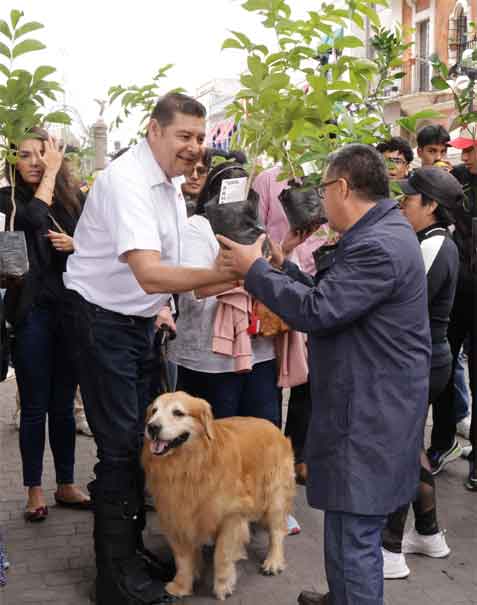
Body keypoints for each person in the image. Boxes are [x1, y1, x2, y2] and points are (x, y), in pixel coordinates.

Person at [216, 144, 431, 605]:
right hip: (367, 403)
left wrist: (253, 270)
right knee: (345, 519)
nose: (319, 201)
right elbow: (331, 294)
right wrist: (283, 267)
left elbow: (320, 309)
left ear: (342, 187)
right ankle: (343, 596)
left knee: (355, 532)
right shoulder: (380, 234)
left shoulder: (379, 246)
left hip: (372, 413)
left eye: (323, 189)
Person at [62, 93, 236, 605]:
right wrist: (225, 273)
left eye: (200, 138)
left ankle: (130, 555)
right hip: (101, 321)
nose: (194, 148)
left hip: (137, 322)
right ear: (154, 131)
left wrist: (260, 267)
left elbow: (178, 280)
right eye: (184, 135)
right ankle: (113, 580)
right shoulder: (128, 181)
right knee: (119, 447)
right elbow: (149, 270)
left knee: (144, 445)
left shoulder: (171, 188)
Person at [0, 128, 90, 522]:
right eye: (26, 154)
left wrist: (77, 245)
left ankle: (66, 484)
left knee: (63, 407)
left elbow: (98, 243)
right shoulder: (11, 202)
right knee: (35, 406)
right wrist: (51, 174)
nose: (35, 161)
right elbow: (34, 220)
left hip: (70, 311)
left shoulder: (74, 199)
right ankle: (34, 490)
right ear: (12, 161)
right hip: (31, 312)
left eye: (43, 153)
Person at [382, 167, 461, 579]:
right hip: (427, 359)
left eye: (409, 200)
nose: (402, 205)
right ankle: (428, 535)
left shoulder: (433, 247)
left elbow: (404, 304)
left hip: (421, 361)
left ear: (430, 206)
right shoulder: (432, 242)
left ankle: (390, 550)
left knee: (399, 451)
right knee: (410, 447)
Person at [170, 160, 282, 426]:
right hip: (211, 359)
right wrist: (247, 275)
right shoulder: (197, 227)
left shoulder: (258, 230)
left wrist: (278, 259)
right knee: (214, 442)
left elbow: (276, 275)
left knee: (260, 438)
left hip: (259, 352)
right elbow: (195, 288)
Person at [416, 124, 472, 441]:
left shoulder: (457, 183)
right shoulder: (412, 190)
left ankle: (453, 428)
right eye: (432, 151)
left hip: (457, 286)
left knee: (454, 362)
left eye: (443, 151)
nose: (439, 157)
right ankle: (442, 439)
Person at [428, 127, 476, 490]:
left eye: (470, 151)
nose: (465, 158)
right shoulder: (457, 180)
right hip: (455, 294)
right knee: (445, 371)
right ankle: (442, 443)